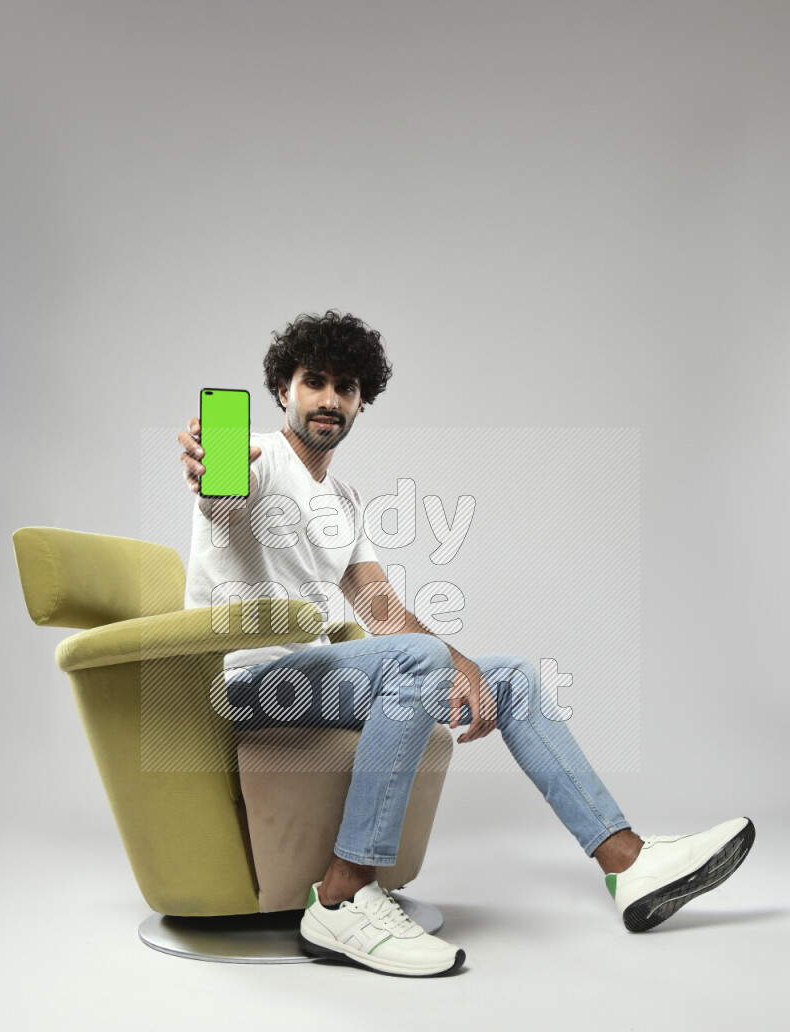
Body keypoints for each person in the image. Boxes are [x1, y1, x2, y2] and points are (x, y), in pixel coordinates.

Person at [178, 309, 755, 978]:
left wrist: (467, 669)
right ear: (284, 389)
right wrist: (207, 465)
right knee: (425, 661)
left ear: (363, 401)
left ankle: (627, 861)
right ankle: (341, 898)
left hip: (307, 677)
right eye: (315, 382)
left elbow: (383, 612)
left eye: (347, 387)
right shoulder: (251, 458)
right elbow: (221, 496)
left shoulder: (344, 500)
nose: (331, 400)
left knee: (507, 677)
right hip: (249, 683)